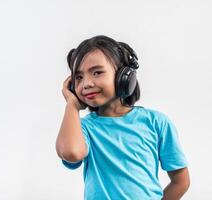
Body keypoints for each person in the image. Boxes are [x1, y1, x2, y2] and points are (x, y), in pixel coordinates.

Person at [55, 35, 190, 200]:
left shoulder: (156, 122)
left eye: (97, 72)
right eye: (79, 77)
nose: (86, 83)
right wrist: (71, 105)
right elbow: (71, 153)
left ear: (124, 76)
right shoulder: (83, 128)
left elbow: (181, 181)